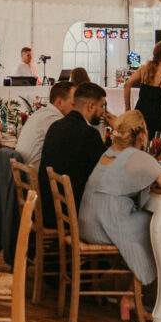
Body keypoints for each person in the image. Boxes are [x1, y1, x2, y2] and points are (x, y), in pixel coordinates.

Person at [79, 111, 161, 321]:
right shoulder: (136, 156)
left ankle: (131, 296)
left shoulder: (109, 152)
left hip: (88, 222)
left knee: (152, 227)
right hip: (108, 223)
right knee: (160, 228)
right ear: (141, 134)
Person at [40, 82, 109, 225]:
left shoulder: (56, 126)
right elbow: (109, 169)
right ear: (91, 106)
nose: (103, 112)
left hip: (49, 208)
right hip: (71, 214)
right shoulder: (88, 134)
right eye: (101, 106)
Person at [124, 40, 161, 140]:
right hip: (157, 115)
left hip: (140, 111)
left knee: (138, 141)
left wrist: (128, 108)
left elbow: (127, 84)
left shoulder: (144, 68)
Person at [16, 81, 73, 167]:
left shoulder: (40, 113)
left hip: (25, 171)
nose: (76, 108)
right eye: (73, 104)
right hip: (35, 175)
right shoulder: (54, 119)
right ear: (59, 102)